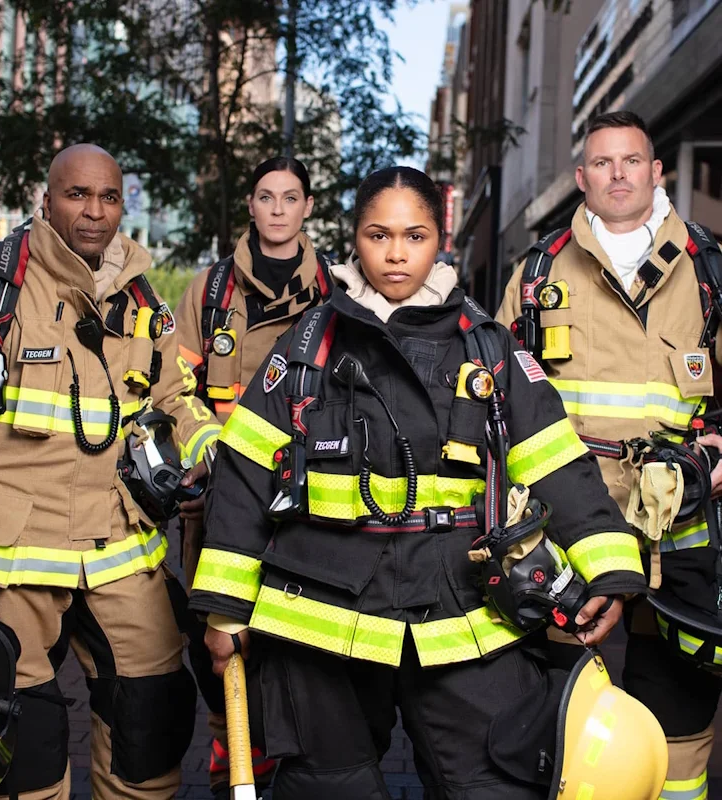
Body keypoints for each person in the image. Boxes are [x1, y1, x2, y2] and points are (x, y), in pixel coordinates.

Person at [189, 166, 647, 799]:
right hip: (321, 614)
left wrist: (610, 570)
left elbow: (555, 462)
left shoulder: (488, 347)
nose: (397, 253)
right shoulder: (306, 348)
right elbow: (241, 479)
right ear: (355, 238)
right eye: (379, 235)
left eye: (415, 235)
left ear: (441, 239)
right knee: (329, 787)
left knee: (494, 783)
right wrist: (225, 609)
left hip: (463, 606)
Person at [0, 144, 220, 799]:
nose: (94, 211)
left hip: (122, 546)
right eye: (77, 195)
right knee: (18, 736)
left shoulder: (143, 298)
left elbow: (175, 397)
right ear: (47, 198)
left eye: (108, 197)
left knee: (154, 715)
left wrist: (214, 453)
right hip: (13, 554)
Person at [497, 110, 722, 800]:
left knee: (679, 705)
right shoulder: (537, 271)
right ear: (581, 178)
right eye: (602, 163)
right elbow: (497, 397)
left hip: (679, 524)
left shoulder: (710, 267)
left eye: (632, 161)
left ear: (658, 172)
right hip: (571, 522)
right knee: (567, 697)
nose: (618, 174)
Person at [174, 155, 330, 797]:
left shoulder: (335, 292)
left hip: (307, 495)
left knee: (293, 639)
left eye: (290, 198)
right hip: (218, 497)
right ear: (250, 205)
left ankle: (285, 761)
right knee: (213, 635)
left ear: (307, 208)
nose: (277, 209)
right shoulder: (210, 292)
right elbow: (173, 386)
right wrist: (206, 446)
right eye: (266, 197)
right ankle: (228, 756)